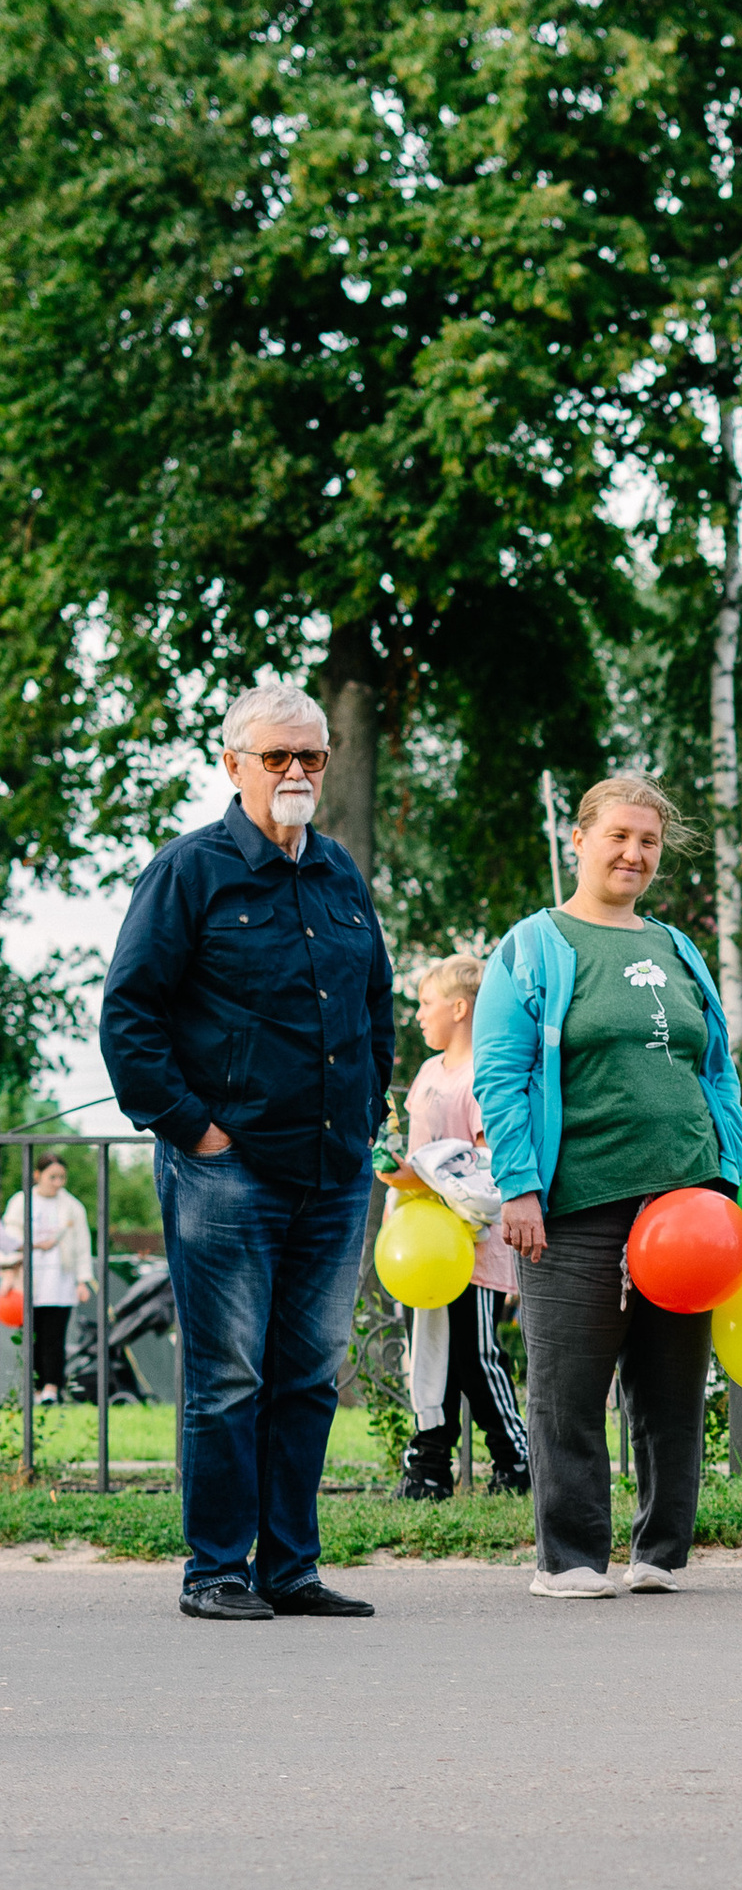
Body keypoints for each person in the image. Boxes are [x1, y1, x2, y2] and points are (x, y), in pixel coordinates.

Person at [100, 679, 394, 1624]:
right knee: (229, 1379)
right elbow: (130, 1018)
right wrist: (195, 1129)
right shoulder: (188, 872)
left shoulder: (340, 873)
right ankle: (216, 1571)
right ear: (233, 765)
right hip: (226, 1169)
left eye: (311, 754)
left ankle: (289, 1569)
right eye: (277, 757)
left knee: (308, 1377)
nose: (298, 772)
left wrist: (369, 1109)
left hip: (334, 1169)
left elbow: (374, 1008)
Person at [474, 773, 742, 1599]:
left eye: (649, 842)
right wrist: (518, 1185)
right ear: (580, 841)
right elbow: (499, 1072)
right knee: (567, 1387)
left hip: (686, 1202)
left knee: (671, 1393)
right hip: (578, 1199)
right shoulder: (534, 944)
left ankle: (661, 1553)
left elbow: (716, 1067)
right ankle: (572, 1558)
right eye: (619, 836)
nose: (634, 853)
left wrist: (727, 1176)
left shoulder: (676, 945)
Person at [394, 954, 529, 1501]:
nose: (419, 1015)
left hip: (470, 1248)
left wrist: (427, 1174)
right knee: (429, 1359)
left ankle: (517, 1460)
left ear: (459, 1007)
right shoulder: (428, 1073)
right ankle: (429, 1467)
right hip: (420, 1246)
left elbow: (484, 1169)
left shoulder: (483, 1076)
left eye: (427, 1004)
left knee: (475, 1355)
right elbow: (413, 1158)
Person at [1, 1154, 94, 1403]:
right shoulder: (21, 1202)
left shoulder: (72, 1207)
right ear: (37, 1175)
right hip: (27, 1282)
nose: (58, 1182)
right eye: (52, 1177)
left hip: (60, 1280)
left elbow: (83, 1245)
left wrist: (82, 1280)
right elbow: (8, 1240)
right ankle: (34, 1387)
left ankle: (51, 1388)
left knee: (54, 1338)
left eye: (62, 1177)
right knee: (32, 1338)